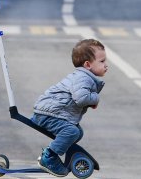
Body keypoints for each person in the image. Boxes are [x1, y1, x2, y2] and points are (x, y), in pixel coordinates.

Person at [31, 39, 108, 177]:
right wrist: (95, 98)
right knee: (72, 132)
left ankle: (55, 152)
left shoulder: (84, 76)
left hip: (53, 113)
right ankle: (48, 157)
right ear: (88, 65)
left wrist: (90, 100)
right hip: (48, 114)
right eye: (102, 62)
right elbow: (81, 97)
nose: (106, 65)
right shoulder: (83, 78)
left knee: (77, 132)